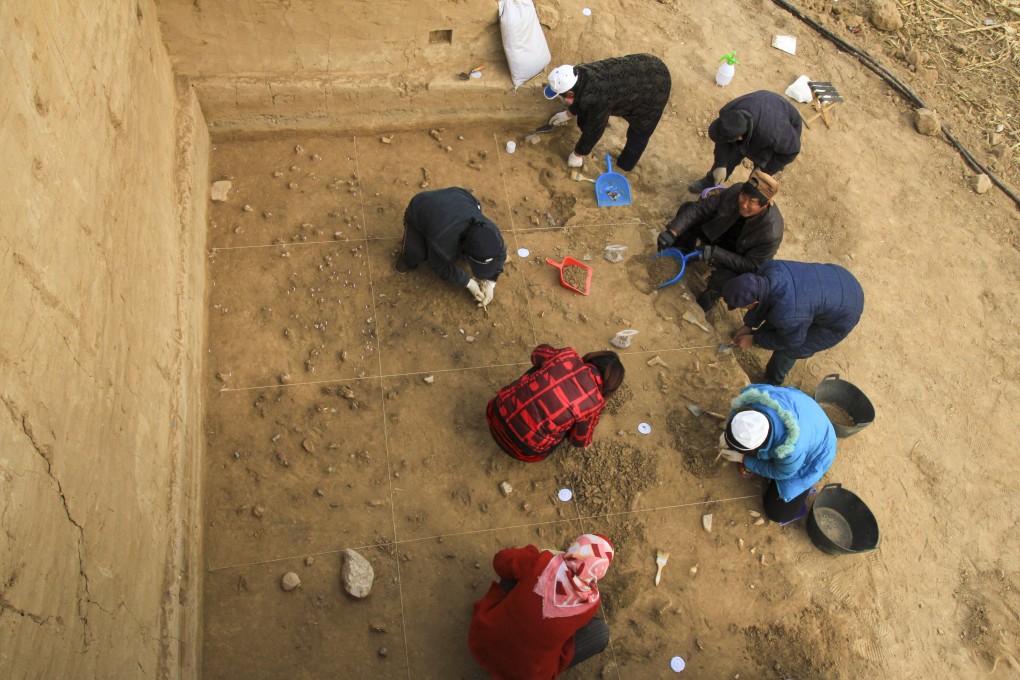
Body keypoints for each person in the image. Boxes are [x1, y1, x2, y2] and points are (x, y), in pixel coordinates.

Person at [468, 534, 615, 679]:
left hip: (482, 641)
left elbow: (500, 560)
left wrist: (533, 553)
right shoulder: (590, 603)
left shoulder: (541, 561)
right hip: (525, 675)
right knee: (600, 632)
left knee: (517, 570)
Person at [657, 169, 783, 312]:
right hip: (719, 232)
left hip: (737, 256)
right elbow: (701, 208)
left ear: (764, 205)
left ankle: (708, 299)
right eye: (744, 196)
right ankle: (686, 253)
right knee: (687, 208)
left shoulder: (771, 233)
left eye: (752, 202)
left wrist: (715, 253)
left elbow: (752, 265)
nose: (744, 204)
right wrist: (673, 231)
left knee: (722, 280)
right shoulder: (735, 191)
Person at [722, 260, 865, 386]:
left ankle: (772, 383)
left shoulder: (788, 314)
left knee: (790, 349)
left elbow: (791, 341)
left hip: (843, 314)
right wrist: (748, 325)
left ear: (754, 301)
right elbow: (765, 300)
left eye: (743, 306)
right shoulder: (769, 268)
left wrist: (754, 338)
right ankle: (763, 341)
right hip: (838, 279)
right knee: (783, 319)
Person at [717, 384, 837, 524]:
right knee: (738, 444)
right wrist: (728, 433)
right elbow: (737, 412)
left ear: (758, 447)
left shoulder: (791, 450)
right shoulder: (754, 397)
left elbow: (781, 472)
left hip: (818, 452)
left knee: (778, 513)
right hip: (803, 410)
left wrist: (743, 458)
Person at [486, 346, 624, 462]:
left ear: (593, 357)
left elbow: (536, 354)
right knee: (571, 423)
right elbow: (579, 440)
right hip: (522, 451)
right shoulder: (595, 405)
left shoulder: (566, 356)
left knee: (540, 369)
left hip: (495, 412)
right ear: (609, 388)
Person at [544, 54, 671, 171]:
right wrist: (568, 113)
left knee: (639, 132)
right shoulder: (580, 72)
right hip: (644, 64)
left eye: (560, 95)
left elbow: (595, 130)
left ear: (570, 93)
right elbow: (581, 94)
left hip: (656, 87)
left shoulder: (598, 100)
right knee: (592, 109)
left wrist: (578, 154)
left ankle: (625, 165)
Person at [394, 187, 506, 307]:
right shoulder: (444, 242)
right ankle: (407, 254)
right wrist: (469, 283)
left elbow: (501, 255)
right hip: (421, 206)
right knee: (415, 253)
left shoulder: (492, 232)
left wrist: (491, 283)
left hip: (459, 196)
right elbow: (437, 265)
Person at [688, 90, 803, 194]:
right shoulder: (728, 112)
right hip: (762, 107)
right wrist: (720, 164)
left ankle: (746, 195)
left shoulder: (772, 135)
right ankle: (710, 181)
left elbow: (792, 151)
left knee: (757, 179)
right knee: (730, 157)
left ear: (739, 138)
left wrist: (764, 170)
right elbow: (722, 139)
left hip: (786, 122)